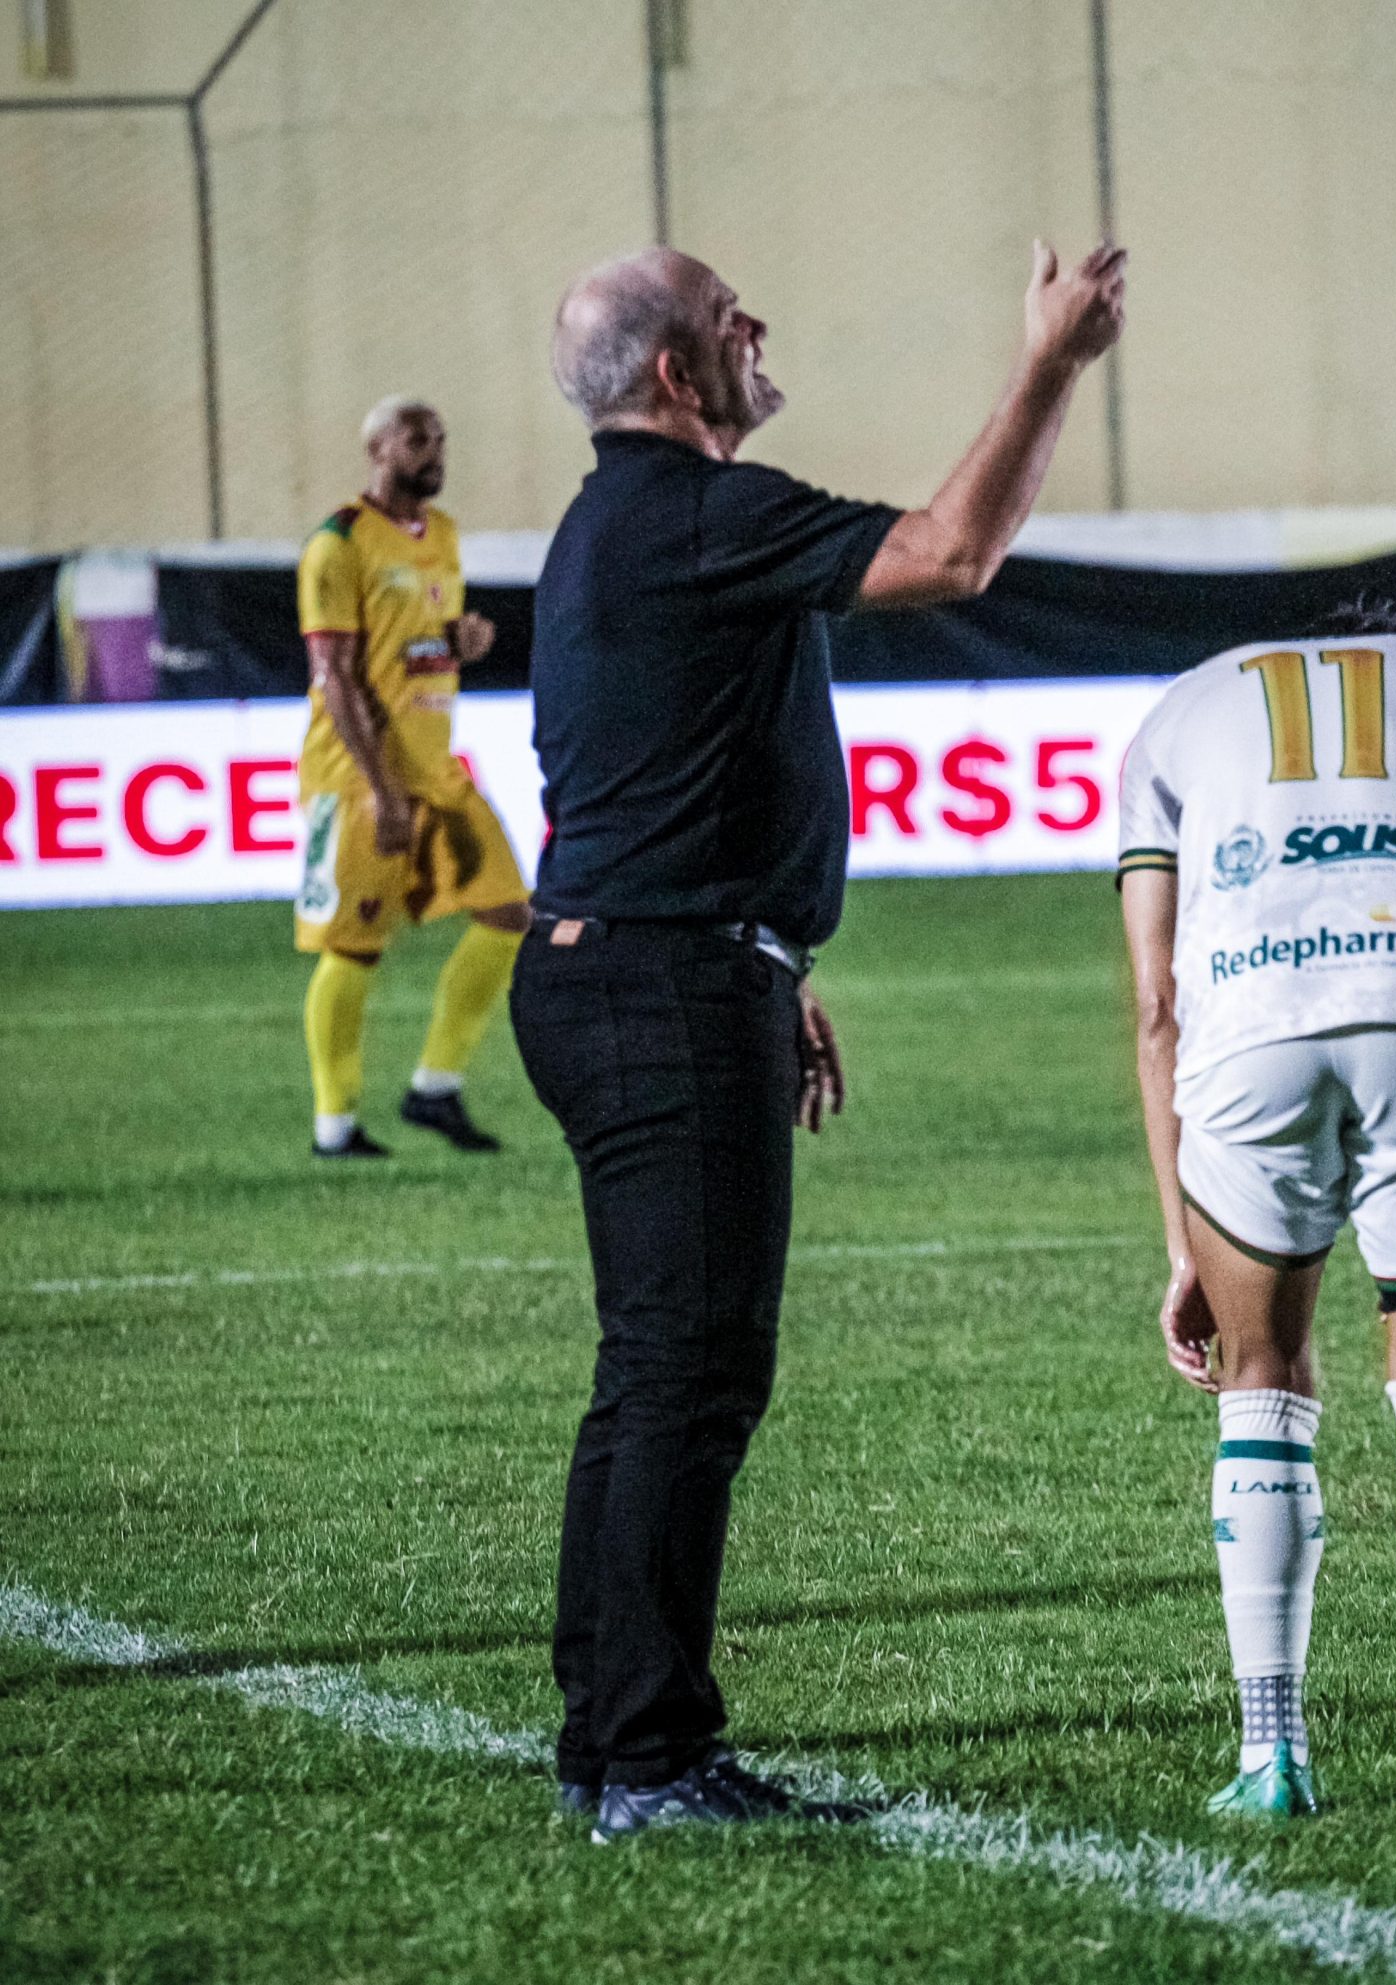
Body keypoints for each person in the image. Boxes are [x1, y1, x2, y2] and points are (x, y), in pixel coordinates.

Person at [521, 238, 1127, 1842]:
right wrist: (1052, 364)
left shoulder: (611, 526)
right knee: (689, 1377)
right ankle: (649, 1758)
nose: (758, 328)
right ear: (678, 372)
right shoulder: (698, 512)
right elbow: (951, 555)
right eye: (731, 318)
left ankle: (607, 1736)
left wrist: (766, 954)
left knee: (652, 1373)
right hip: (659, 985)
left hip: (629, 965)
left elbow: (642, 754)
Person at [1117, 601, 1396, 1819]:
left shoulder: (1179, 708)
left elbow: (1155, 1007)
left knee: (1260, 1382)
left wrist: (1182, 1240)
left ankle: (1271, 1756)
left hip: (1249, 1031)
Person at [294, 396, 531, 1158]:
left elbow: (420, 643)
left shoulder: (446, 534)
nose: (436, 453)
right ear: (379, 449)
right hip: (356, 780)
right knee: (354, 946)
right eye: (418, 439)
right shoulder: (338, 544)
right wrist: (380, 788)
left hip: (436, 771)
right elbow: (335, 676)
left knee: (510, 911)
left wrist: (461, 639)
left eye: (441, 439)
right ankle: (335, 1126)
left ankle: (435, 1087)